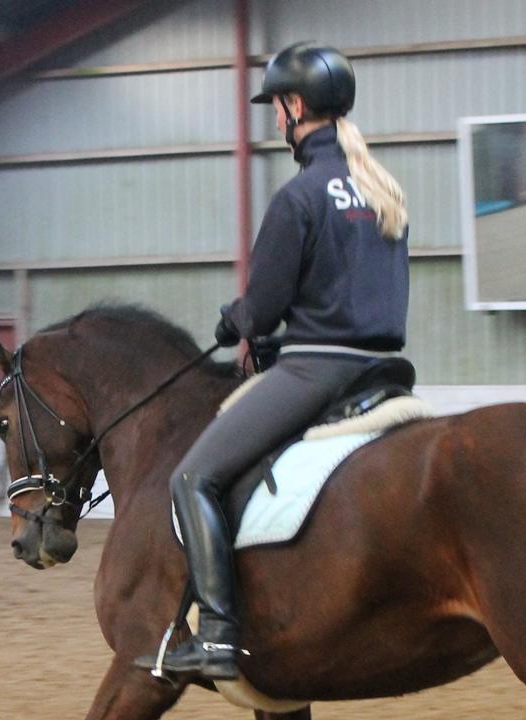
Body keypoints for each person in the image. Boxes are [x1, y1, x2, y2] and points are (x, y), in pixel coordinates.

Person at [141, 42, 410, 681]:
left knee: (192, 478)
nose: (276, 119)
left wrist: (235, 321)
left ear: (292, 106)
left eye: (277, 108)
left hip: (315, 371)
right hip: (382, 369)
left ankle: (220, 636)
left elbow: (263, 308)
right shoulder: (382, 190)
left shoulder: (301, 195)